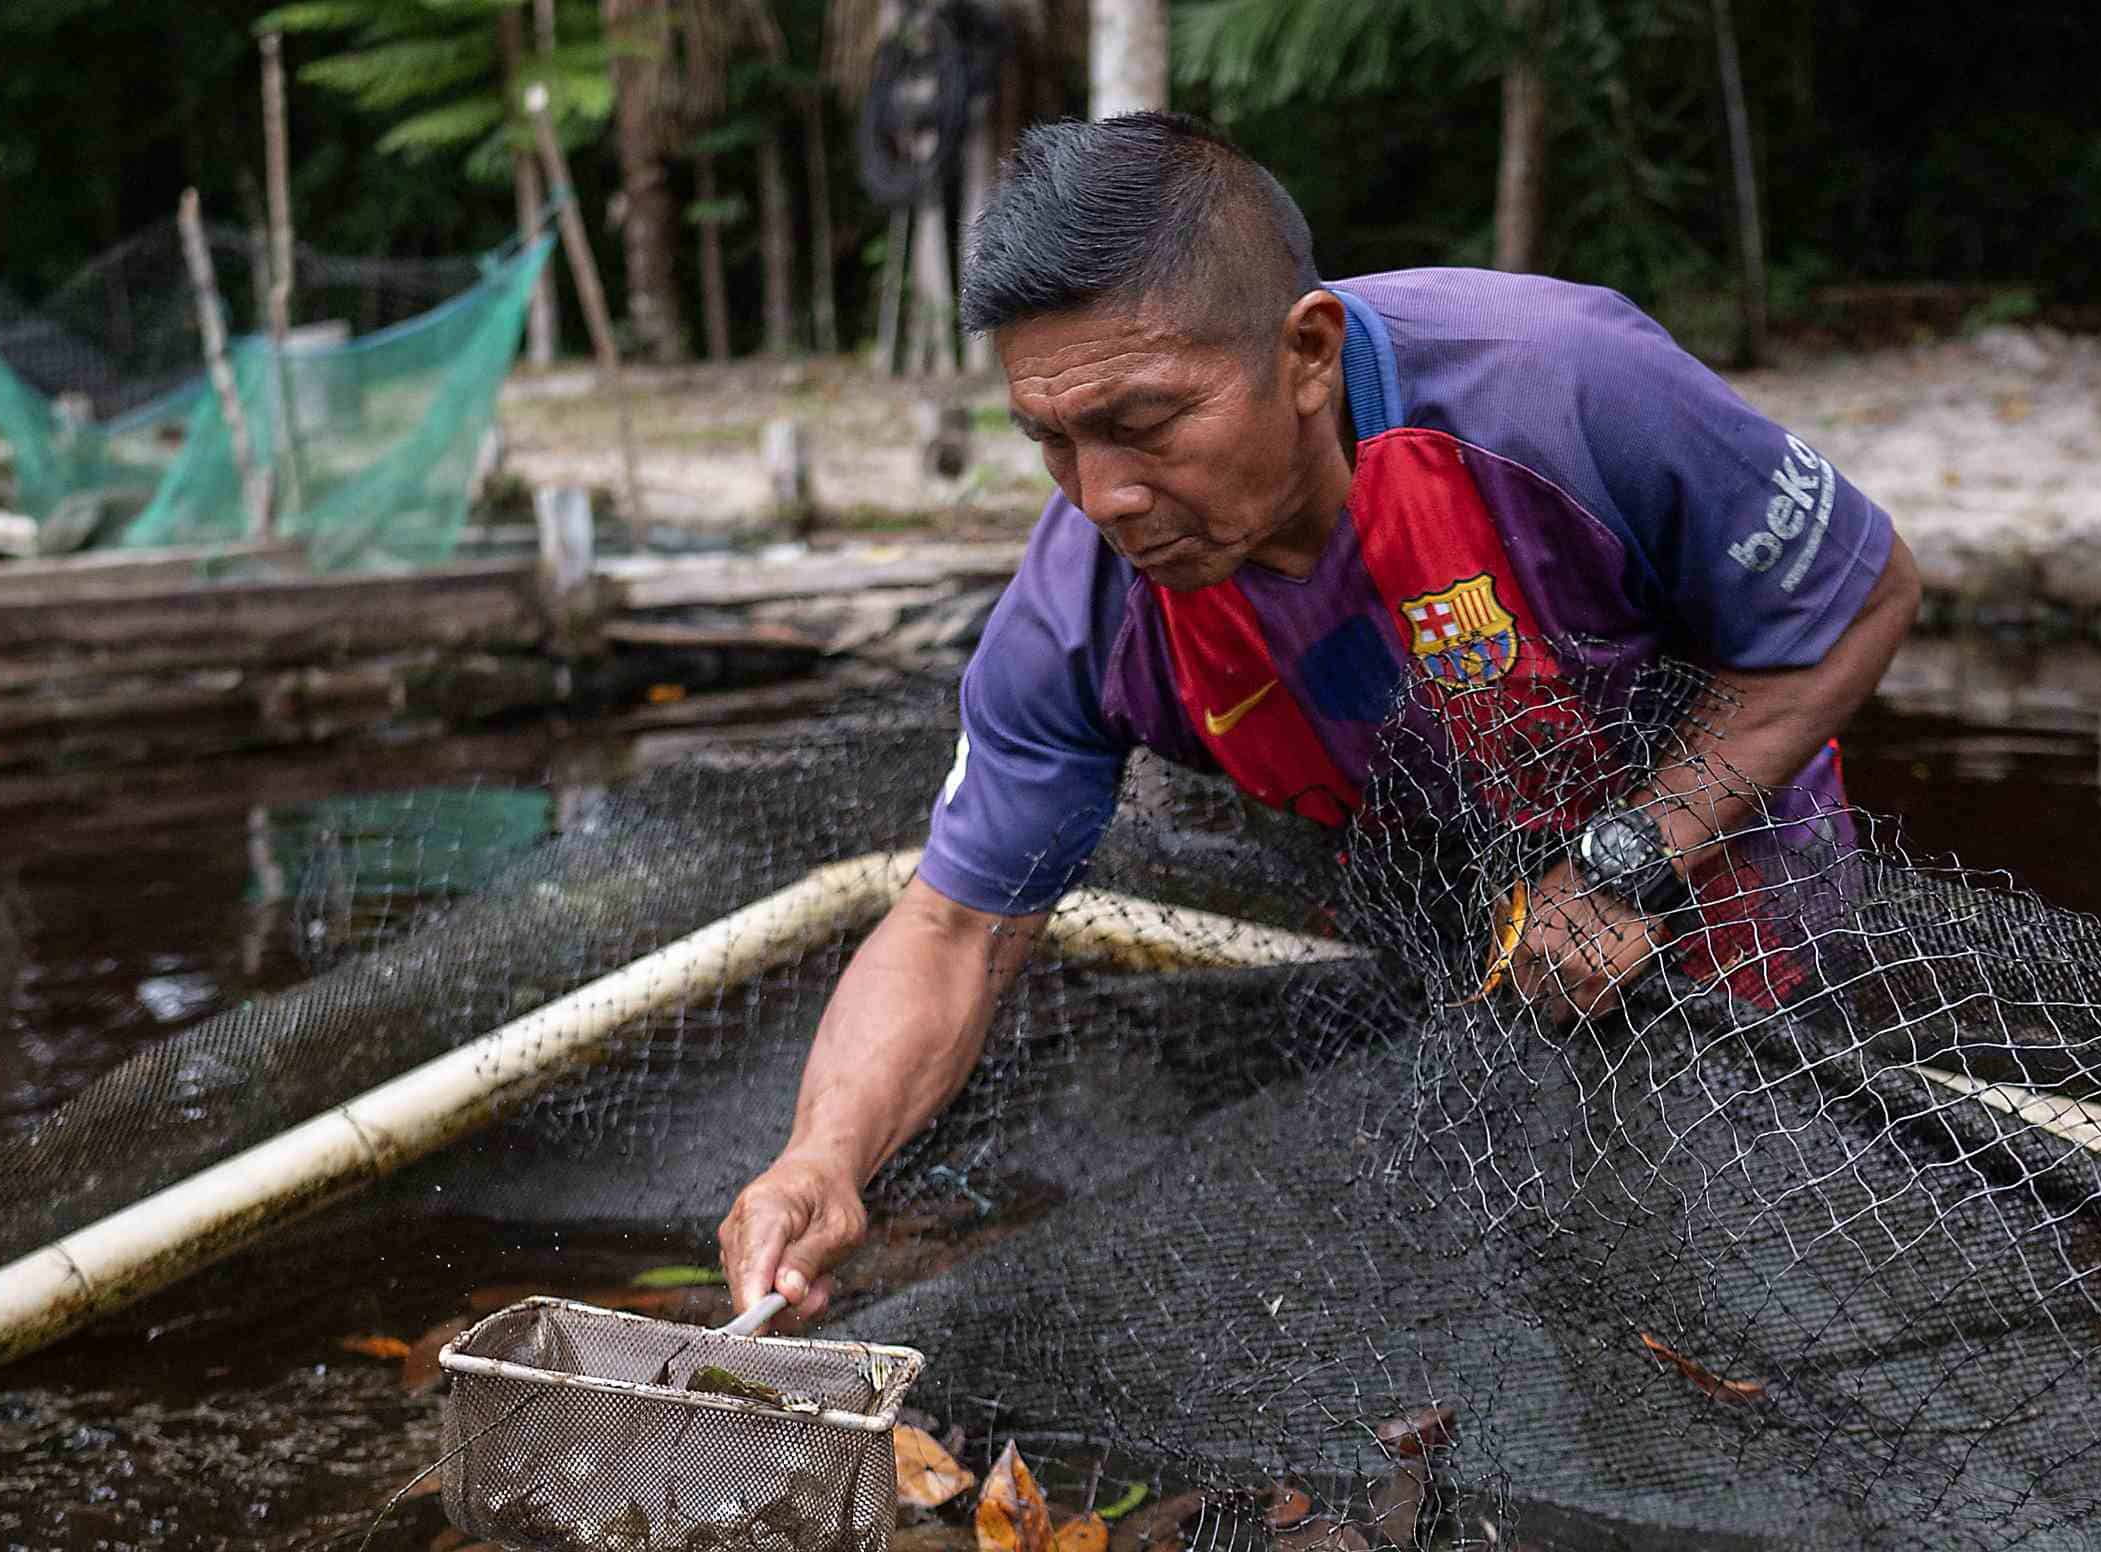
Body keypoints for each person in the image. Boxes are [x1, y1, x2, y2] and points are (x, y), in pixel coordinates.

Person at [721, 112, 1919, 1325]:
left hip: (1716, 889)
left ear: (1305, 355)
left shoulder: (1563, 390)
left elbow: (1859, 598)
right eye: (1054, 441)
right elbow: (954, 926)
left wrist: (1632, 856)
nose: (1105, 497)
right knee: (1487, 1282)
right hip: (1440, 909)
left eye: (1143, 425)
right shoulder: (1079, 613)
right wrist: (822, 1157)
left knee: (1728, 1267)